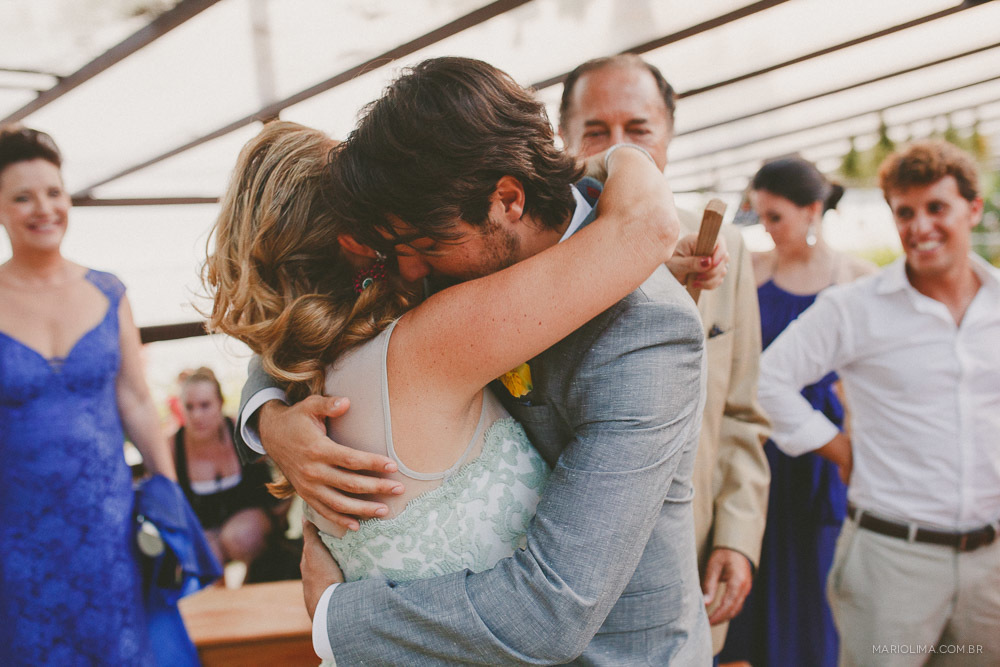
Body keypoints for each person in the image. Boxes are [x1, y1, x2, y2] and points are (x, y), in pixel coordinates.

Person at [235, 57, 711, 664]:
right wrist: (270, 415)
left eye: (423, 246)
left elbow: (552, 607)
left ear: (507, 199)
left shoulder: (647, 334)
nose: (408, 272)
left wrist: (336, 620)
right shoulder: (453, 238)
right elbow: (313, 309)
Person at [557, 54, 771, 658]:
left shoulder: (725, 246)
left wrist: (737, 534)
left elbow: (742, 412)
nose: (621, 148)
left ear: (670, 133)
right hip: (564, 577)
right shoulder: (538, 251)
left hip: (688, 562)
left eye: (639, 128)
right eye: (596, 130)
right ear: (563, 139)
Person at [756, 140, 1000, 666]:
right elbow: (767, 380)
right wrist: (839, 449)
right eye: (905, 212)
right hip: (892, 562)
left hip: (992, 567)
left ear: (973, 209)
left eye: (937, 208)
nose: (920, 226)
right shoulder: (855, 307)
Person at [0, 126, 177, 663]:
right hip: (16, 534)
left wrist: (168, 491)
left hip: (108, 527)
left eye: (54, 192)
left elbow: (137, 401)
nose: (44, 208)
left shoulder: (108, 290)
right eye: (23, 197)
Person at [719, 157, 875, 666]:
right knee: (753, 567)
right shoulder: (752, 270)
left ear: (812, 211)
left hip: (822, 448)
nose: (765, 228)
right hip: (759, 444)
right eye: (759, 216)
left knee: (815, 575)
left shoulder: (857, 278)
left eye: (776, 217)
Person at [174, 366, 275, 573]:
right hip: (205, 531)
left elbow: (283, 474)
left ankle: (254, 583)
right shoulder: (173, 446)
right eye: (189, 407)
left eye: (204, 405)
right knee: (205, 552)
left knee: (239, 537)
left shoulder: (244, 433)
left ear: (220, 403)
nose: (197, 415)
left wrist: (278, 520)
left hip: (250, 528)